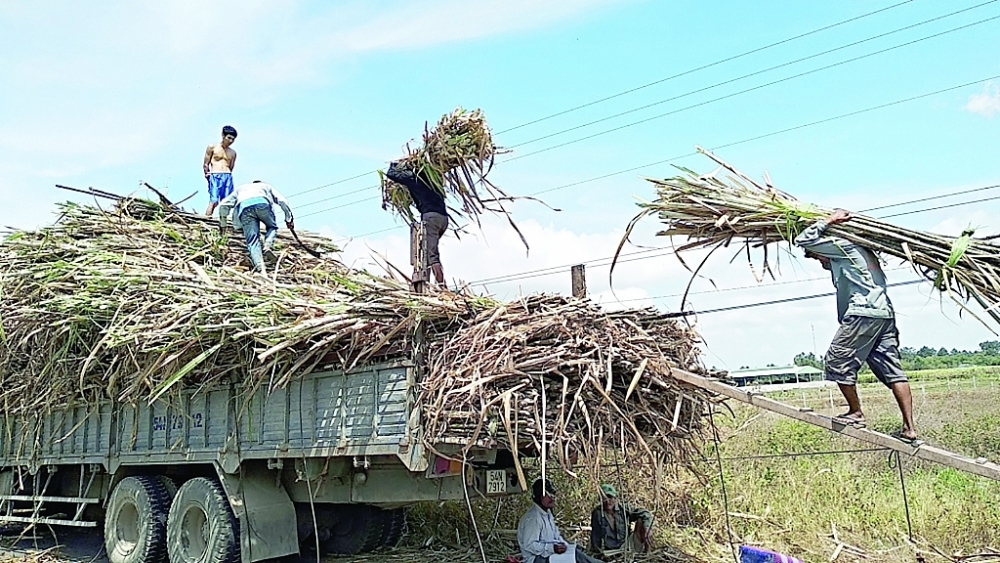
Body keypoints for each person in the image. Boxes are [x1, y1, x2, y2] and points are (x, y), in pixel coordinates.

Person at [794, 209, 918, 444]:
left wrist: (829, 220)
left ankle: (856, 412)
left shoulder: (844, 246)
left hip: (863, 314)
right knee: (893, 371)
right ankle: (909, 428)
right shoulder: (864, 253)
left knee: (836, 360)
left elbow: (803, 239)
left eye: (817, 255)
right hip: (884, 315)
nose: (819, 259)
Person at [384, 161, 449, 286]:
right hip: (443, 219)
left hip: (431, 218)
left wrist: (395, 165)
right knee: (426, 252)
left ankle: (442, 286)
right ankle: (428, 283)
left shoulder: (415, 179)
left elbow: (392, 174)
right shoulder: (434, 180)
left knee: (431, 255)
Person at [518, 478, 604, 563]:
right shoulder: (533, 518)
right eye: (547, 495)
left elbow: (556, 536)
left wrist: (564, 545)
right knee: (577, 557)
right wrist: (552, 548)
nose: (552, 498)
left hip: (548, 554)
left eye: (552, 494)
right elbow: (529, 545)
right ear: (539, 497)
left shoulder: (547, 513)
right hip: (536, 559)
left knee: (576, 552)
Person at [218, 181, 293, 274]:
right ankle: (267, 246)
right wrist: (288, 218)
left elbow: (223, 205)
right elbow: (282, 201)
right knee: (271, 227)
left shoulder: (241, 188)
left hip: (245, 208)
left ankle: (260, 268)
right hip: (262, 204)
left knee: (252, 241)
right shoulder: (266, 186)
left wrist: (223, 224)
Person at [589, 484, 653, 557]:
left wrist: (647, 528)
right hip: (611, 551)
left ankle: (647, 554)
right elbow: (595, 536)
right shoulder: (598, 513)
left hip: (627, 546)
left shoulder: (623, 508)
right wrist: (597, 554)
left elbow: (644, 513)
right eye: (604, 498)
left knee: (641, 521)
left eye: (610, 497)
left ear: (615, 498)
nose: (607, 501)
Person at [204, 125, 238, 217]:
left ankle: (223, 221)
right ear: (223, 136)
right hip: (215, 175)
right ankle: (207, 217)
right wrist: (207, 175)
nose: (230, 141)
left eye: (233, 139)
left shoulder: (233, 153)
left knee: (226, 201)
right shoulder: (213, 147)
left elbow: (231, 167)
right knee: (214, 200)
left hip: (227, 176)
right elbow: (206, 164)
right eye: (229, 138)